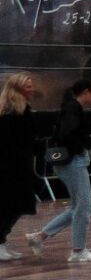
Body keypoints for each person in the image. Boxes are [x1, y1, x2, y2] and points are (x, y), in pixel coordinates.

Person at [33, 77, 91, 263]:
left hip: (71, 161)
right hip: (73, 162)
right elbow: (67, 134)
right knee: (85, 206)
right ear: (86, 91)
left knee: (77, 207)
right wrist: (80, 148)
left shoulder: (70, 107)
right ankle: (78, 250)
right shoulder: (73, 109)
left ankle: (41, 236)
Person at [0, 73, 38, 259]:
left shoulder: (22, 111)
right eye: (28, 86)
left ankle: (2, 240)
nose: (32, 90)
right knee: (10, 205)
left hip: (20, 166)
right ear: (18, 89)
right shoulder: (10, 114)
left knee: (17, 206)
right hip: (10, 168)